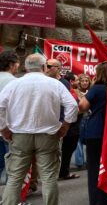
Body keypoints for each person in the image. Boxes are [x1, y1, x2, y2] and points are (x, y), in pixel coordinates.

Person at [0, 53, 78, 205]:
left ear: (26, 68)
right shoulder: (55, 84)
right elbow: (73, 105)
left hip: (20, 135)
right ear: (43, 67)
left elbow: (0, 106)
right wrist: (66, 125)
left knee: (15, 177)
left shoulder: (14, 84)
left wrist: (3, 128)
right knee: (49, 177)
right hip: (48, 135)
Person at [79, 62, 107, 205]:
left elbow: (82, 106)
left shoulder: (97, 88)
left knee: (95, 169)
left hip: (96, 132)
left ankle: (98, 201)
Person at [0, 50, 20, 184]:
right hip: (8, 131)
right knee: (12, 169)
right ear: (12, 64)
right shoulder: (15, 83)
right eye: (18, 63)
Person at [59, 72, 82, 180]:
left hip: (71, 126)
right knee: (67, 151)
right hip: (71, 127)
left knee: (67, 151)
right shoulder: (70, 93)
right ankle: (64, 172)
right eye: (77, 80)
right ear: (71, 82)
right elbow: (74, 107)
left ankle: (63, 171)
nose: (78, 82)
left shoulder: (72, 91)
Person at [74, 74, 91, 170]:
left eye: (87, 81)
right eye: (83, 81)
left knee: (89, 140)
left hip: (89, 118)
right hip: (79, 119)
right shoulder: (76, 92)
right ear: (79, 82)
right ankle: (79, 162)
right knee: (78, 141)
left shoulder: (91, 92)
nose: (85, 83)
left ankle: (89, 161)